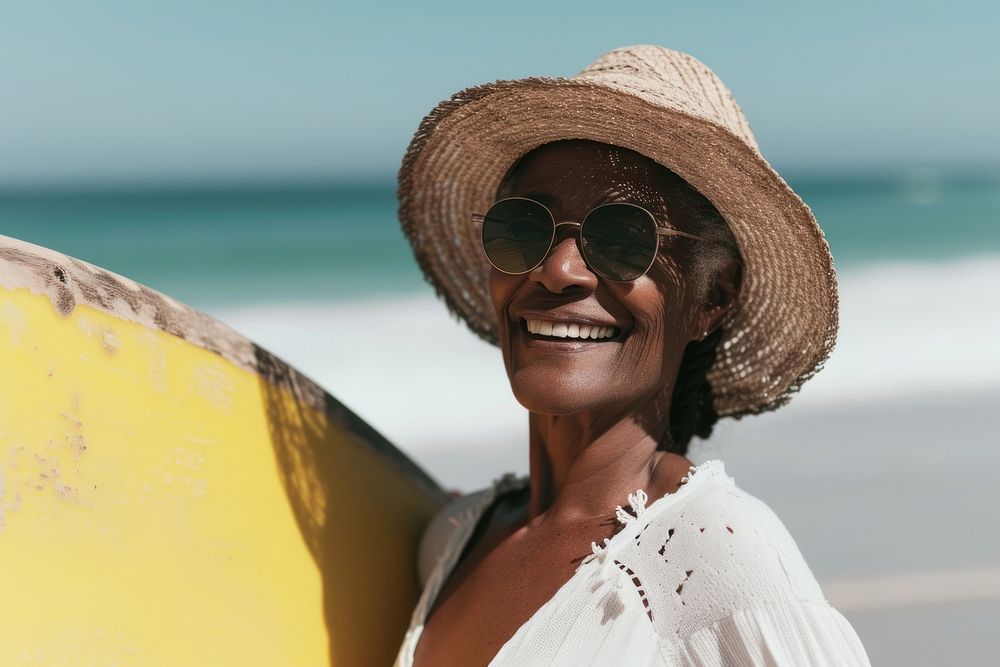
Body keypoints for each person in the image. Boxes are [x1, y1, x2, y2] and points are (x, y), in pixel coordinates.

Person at [392, 44, 871, 666]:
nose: (559, 268)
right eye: (524, 228)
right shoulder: (453, 540)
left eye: (623, 237)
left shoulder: (718, 563)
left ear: (711, 299)